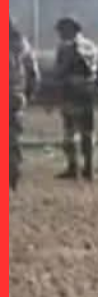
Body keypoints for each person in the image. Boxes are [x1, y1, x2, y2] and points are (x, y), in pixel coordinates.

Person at [52, 16, 98, 181]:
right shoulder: (92, 46)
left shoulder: (66, 47)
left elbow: (60, 71)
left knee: (70, 131)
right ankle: (89, 168)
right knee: (88, 131)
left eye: (61, 30)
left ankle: (73, 167)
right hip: (88, 92)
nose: (60, 34)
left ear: (69, 30)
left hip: (71, 92)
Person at [10, 19, 40, 192]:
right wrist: (28, 94)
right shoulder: (22, 44)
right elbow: (33, 73)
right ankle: (13, 172)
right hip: (15, 96)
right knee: (12, 137)